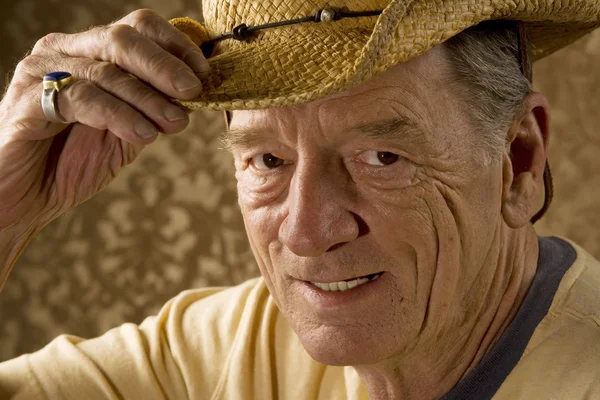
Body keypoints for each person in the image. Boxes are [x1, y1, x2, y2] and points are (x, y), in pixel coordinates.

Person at [0, 0, 599, 399]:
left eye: (382, 158)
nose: (306, 233)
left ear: (520, 161)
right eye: (268, 160)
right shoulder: (225, 352)